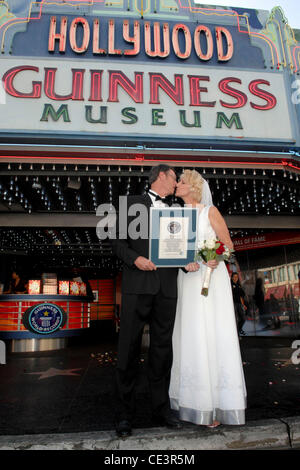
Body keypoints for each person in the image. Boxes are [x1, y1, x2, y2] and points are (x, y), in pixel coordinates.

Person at [111, 164, 200, 438]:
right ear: (161, 175)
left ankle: (160, 409)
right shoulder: (131, 204)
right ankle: (124, 415)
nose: (177, 182)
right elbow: (116, 242)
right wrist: (135, 259)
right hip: (137, 286)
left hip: (166, 289)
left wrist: (187, 263)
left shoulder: (177, 209)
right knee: (128, 350)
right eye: (175, 177)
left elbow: (180, 248)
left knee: (162, 351)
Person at [169, 169, 247, 428]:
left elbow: (228, 245)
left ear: (192, 187)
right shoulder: (175, 216)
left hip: (211, 278)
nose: (177, 184)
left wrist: (216, 256)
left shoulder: (209, 212)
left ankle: (216, 404)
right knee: (190, 333)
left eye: (180, 181)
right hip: (187, 279)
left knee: (212, 331)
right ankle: (193, 402)